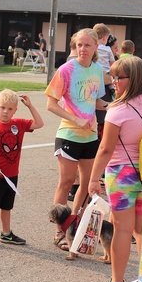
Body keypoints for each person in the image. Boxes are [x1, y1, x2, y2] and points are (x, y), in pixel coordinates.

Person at [87, 56, 142, 282]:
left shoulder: (118, 110)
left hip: (122, 174)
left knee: (122, 230)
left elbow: (106, 148)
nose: (113, 82)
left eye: (118, 78)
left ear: (133, 79)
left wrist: (93, 178)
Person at [46, 28, 105, 250]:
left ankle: (75, 224)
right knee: (66, 182)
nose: (82, 49)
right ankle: (58, 230)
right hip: (69, 134)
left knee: (87, 184)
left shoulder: (98, 69)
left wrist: (116, 106)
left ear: (95, 47)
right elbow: (50, 104)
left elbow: (96, 101)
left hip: (90, 135)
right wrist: (76, 119)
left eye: (87, 45)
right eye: (78, 45)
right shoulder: (67, 70)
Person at [0, 89, 44, 248]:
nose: (5, 112)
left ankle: (6, 233)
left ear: (15, 110)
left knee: (7, 206)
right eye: (2, 108)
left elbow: (39, 123)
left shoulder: (19, 124)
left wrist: (30, 106)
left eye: (9, 109)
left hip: (12, 175)